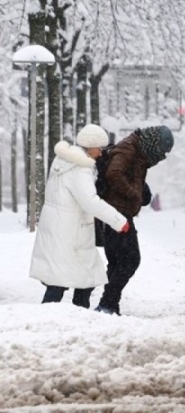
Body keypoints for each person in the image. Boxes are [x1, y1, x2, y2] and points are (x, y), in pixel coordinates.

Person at [29, 125, 130, 308]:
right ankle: (57, 316)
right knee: (63, 281)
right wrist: (118, 221)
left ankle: (76, 313)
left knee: (77, 278)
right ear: (90, 146)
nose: (100, 153)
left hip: (60, 227)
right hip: (71, 231)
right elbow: (90, 201)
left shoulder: (63, 160)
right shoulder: (80, 168)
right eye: (99, 148)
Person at [95, 125, 174, 315]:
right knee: (131, 260)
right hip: (116, 213)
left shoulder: (137, 149)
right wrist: (134, 194)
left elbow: (127, 173)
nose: (161, 157)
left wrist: (141, 190)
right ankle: (107, 303)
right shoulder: (128, 148)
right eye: (161, 151)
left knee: (117, 262)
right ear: (153, 144)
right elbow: (114, 173)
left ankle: (110, 305)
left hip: (117, 212)